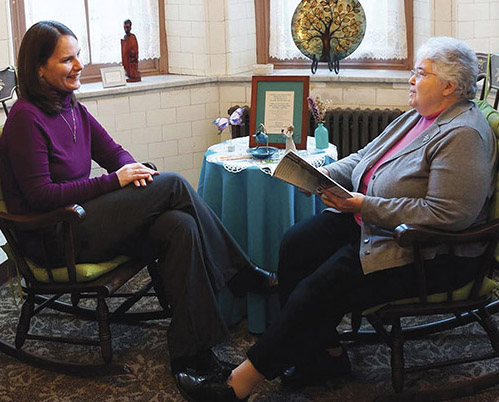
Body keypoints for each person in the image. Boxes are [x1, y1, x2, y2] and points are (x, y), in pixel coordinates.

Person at [175, 37, 498, 401]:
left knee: (324, 284)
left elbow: (449, 214)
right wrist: (316, 176)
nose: (411, 79)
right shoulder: (417, 117)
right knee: (297, 242)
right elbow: (363, 157)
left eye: (420, 73)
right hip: (380, 225)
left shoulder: (464, 134)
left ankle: (240, 382)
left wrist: (363, 206)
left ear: (449, 86)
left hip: (431, 253)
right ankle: (323, 355)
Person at [0, 20, 277, 378]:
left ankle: (192, 353)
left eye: (79, 56)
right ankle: (241, 273)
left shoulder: (71, 107)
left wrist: (132, 171)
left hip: (84, 221)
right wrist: (114, 181)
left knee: (179, 225)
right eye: (67, 60)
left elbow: (114, 152)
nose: (79, 65)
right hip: (56, 235)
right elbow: (40, 197)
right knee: (175, 184)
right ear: (39, 69)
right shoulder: (25, 119)